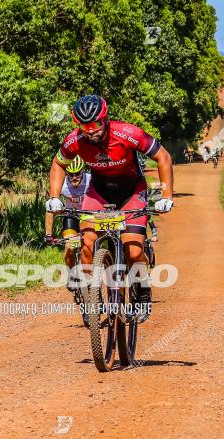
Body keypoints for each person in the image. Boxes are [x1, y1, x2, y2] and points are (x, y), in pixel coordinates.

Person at [46, 94, 174, 320]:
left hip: (132, 192)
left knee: (134, 251)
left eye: (95, 124)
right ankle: (89, 299)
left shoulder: (128, 133)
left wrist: (166, 195)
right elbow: (58, 163)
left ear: (105, 119)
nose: (91, 131)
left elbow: (163, 157)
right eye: (84, 126)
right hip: (99, 192)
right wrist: (54, 196)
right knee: (86, 245)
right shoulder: (75, 140)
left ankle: (142, 290)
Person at [45, 155, 90, 272]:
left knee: (90, 245)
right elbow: (51, 208)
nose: (74, 177)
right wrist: (48, 234)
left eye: (77, 174)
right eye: (70, 174)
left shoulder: (91, 180)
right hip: (72, 217)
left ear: (83, 170)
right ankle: (71, 275)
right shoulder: (62, 184)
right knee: (70, 247)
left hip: (89, 217)